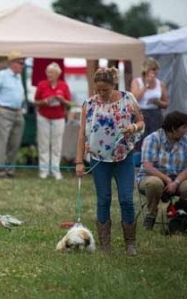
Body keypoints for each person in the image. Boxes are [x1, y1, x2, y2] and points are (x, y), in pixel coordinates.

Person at [75, 67, 144, 256]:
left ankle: (130, 243)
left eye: (105, 90)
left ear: (114, 85)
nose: (101, 94)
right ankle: (105, 245)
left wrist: (133, 127)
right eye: (98, 90)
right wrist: (79, 161)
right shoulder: (88, 104)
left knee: (126, 199)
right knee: (103, 200)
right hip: (99, 160)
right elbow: (82, 135)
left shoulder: (128, 98)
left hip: (124, 157)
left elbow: (141, 122)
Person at [137, 111, 187, 230]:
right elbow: (148, 167)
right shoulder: (153, 139)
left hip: (177, 179)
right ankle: (151, 216)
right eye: (184, 127)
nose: (186, 130)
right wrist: (167, 180)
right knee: (155, 183)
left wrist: (176, 182)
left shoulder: (185, 141)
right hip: (151, 177)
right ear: (173, 128)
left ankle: (180, 217)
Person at [0, 50, 25, 178]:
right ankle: (0, 171)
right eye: (20, 63)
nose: (22, 65)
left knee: (15, 143)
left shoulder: (18, 77)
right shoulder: (2, 75)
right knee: (2, 143)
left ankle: (10, 169)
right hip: (5, 111)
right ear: (13, 63)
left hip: (18, 112)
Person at [34, 62, 71, 180]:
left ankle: (55, 170)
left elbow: (69, 103)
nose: (49, 74)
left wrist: (62, 100)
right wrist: (44, 101)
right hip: (43, 116)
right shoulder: (42, 84)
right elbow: (35, 102)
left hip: (59, 117)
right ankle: (43, 170)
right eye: (48, 72)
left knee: (57, 144)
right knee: (43, 143)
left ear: (57, 74)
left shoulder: (63, 86)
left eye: (51, 72)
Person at [131, 58, 169, 151]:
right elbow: (134, 98)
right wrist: (147, 85)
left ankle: (154, 159)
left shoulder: (160, 83)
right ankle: (139, 159)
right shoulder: (137, 81)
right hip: (140, 113)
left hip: (155, 113)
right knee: (140, 138)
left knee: (155, 139)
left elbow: (166, 103)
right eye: (153, 69)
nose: (155, 72)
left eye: (156, 69)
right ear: (146, 70)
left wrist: (158, 102)